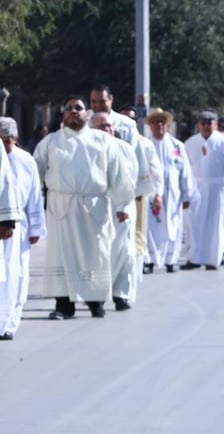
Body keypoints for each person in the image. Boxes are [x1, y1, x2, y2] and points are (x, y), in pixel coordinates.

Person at [34, 95, 136, 319]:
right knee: (61, 256)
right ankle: (63, 306)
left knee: (95, 255)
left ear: (86, 113)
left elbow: (119, 174)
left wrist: (123, 205)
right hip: (61, 208)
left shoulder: (103, 141)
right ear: (63, 114)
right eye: (69, 108)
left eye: (78, 108)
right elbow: (35, 174)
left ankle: (95, 302)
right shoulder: (50, 142)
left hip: (94, 208)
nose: (74, 112)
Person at [91, 112, 142, 311]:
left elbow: (131, 178)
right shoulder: (87, 149)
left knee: (124, 251)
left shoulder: (125, 149)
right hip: (96, 206)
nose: (106, 130)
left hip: (120, 206)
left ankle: (121, 293)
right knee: (101, 252)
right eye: (101, 126)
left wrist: (124, 206)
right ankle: (99, 293)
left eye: (108, 126)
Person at [0, 118, 45, 340]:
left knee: (15, 273)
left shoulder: (26, 161)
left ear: (15, 139)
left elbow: (35, 196)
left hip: (18, 227)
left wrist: (36, 227)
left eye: (5, 141)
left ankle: (11, 320)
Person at [183, 111, 224, 270]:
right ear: (198, 125)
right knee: (194, 223)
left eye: (210, 123)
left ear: (215, 125)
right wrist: (186, 191)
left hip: (218, 188)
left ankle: (214, 258)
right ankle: (193, 258)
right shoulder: (190, 143)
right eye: (203, 123)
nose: (207, 126)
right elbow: (186, 169)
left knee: (216, 223)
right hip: (196, 188)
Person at [144, 108, 195, 273]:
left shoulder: (177, 146)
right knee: (152, 226)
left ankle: (171, 260)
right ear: (150, 125)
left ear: (166, 125)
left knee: (173, 225)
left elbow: (185, 170)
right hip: (152, 193)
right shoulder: (145, 146)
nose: (159, 125)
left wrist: (187, 193)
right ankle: (151, 259)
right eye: (155, 122)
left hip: (173, 194)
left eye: (162, 122)